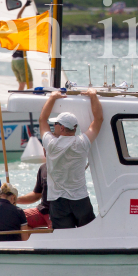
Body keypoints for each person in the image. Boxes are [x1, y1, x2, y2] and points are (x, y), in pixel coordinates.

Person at [39, 89, 103, 229]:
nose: (53, 127)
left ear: (61, 128)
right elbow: (98, 119)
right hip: (80, 199)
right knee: (89, 235)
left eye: (55, 124)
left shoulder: (50, 144)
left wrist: (53, 97)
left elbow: (42, 119)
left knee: (63, 238)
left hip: (58, 201)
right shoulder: (82, 143)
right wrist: (93, 95)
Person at [17, 161, 52, 230]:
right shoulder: (43, 168)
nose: (45, 151)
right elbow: (36, 195)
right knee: (14, 218)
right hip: (42, 210)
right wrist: (14, 200)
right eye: (45, 149)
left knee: (54, 230)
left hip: (57, 212)